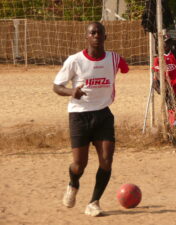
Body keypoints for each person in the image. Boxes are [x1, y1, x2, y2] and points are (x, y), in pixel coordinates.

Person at [53, 22, 129, 217]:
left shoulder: (114, 58)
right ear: (86, 37)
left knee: (106, 160)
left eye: (99, 32)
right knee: (79, 164)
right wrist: (71, 91)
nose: (96, 35)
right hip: (79, 115)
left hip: (103, 114)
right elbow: (57, 86)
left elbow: (125, 67)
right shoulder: (74, 60)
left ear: (106, 36)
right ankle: (73, 184)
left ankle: (94, 202)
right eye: (92, 33)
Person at [153, 34, 176, 126]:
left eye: (168, 42)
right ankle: (171, 121)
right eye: (164, 42)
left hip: (175, 83)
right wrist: (160, 85)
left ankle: (172, 122)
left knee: (171, 103)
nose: (166, 44)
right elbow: (156, 72)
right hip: (163, 85)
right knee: (168, 103)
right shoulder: (157, 57)